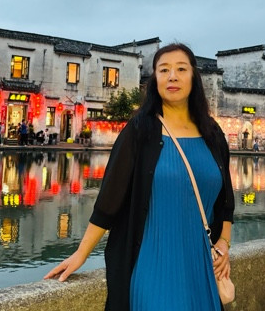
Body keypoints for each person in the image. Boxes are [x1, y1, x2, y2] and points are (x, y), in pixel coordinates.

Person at [44, 43, 235, 310]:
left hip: (202, 266)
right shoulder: (140, 130)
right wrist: (81, 253)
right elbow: (109, 200)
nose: (172, 76)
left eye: (181, 69)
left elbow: (226, 202)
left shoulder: (212, 133)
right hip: (153, 263)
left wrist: (224, 243)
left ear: (194, 77)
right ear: (155, 79)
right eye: (164, 70)